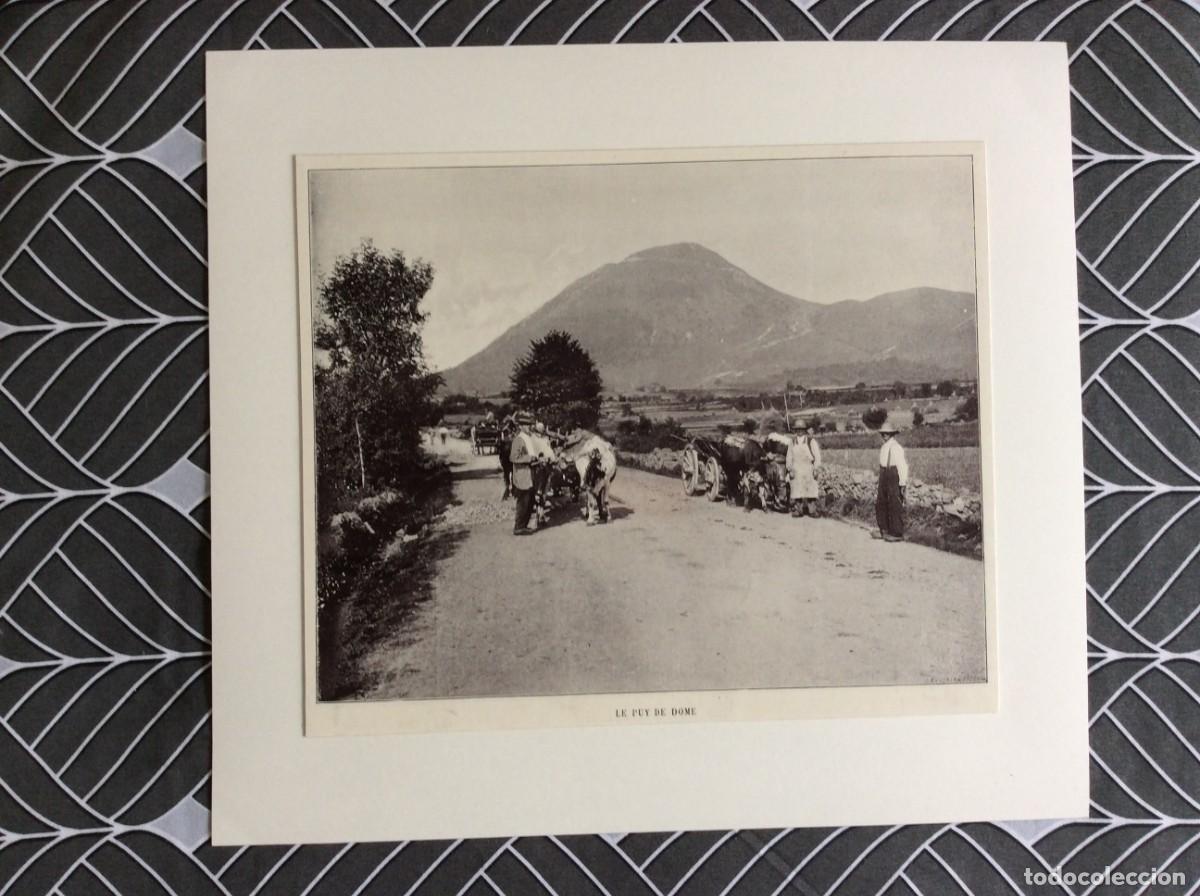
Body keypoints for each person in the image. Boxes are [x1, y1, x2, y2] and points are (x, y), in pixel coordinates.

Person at [875, 422, 908, 541]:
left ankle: (896, 532)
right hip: (884, 474)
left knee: (894, 502)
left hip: (893, 475)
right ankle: (884, 529)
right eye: (883, 433)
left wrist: (902, 482)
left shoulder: (896, 447)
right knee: (881, 501)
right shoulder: (884, 447)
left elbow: (902, 465)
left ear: (892, 434)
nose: (884, 435)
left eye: (887, 433)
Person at [509, 411, 538, 535]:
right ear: (520, 426)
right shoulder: (519, 439)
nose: (528, 427)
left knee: (530, 501)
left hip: (529, 474)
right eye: (525, 425)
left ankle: (524, 525)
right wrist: (529, 459)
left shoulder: (528, 438)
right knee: (523, 502)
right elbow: (513, 458)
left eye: (529, 425)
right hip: (522, 475)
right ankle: (519, 527)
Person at [786, 424, 822, 517]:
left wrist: (816, 468)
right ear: (795, 430)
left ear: (804, 430)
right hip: (796, 468)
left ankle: (812, 510)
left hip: (808, 468)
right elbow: (789, 456)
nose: (799, 431)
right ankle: (799, 510)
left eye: (801, 429)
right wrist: (790, 469)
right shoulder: (792, 442)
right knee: (797, 490)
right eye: (798, 429)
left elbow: (817, 456)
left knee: (811, 490)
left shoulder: (811, 441)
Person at [530, 421, 556, 525]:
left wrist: (550, 458)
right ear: (535, 431)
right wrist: (538, 458)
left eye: (542, 432)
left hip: (545, 467)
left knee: (544, 492)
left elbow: (550, 452)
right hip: (535, 467)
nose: (540, 434)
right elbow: (531, 453)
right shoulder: (532, 440)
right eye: (538, 431)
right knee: (536, 492)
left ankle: (540, 514)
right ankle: (537, 514)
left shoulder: (546, 440)